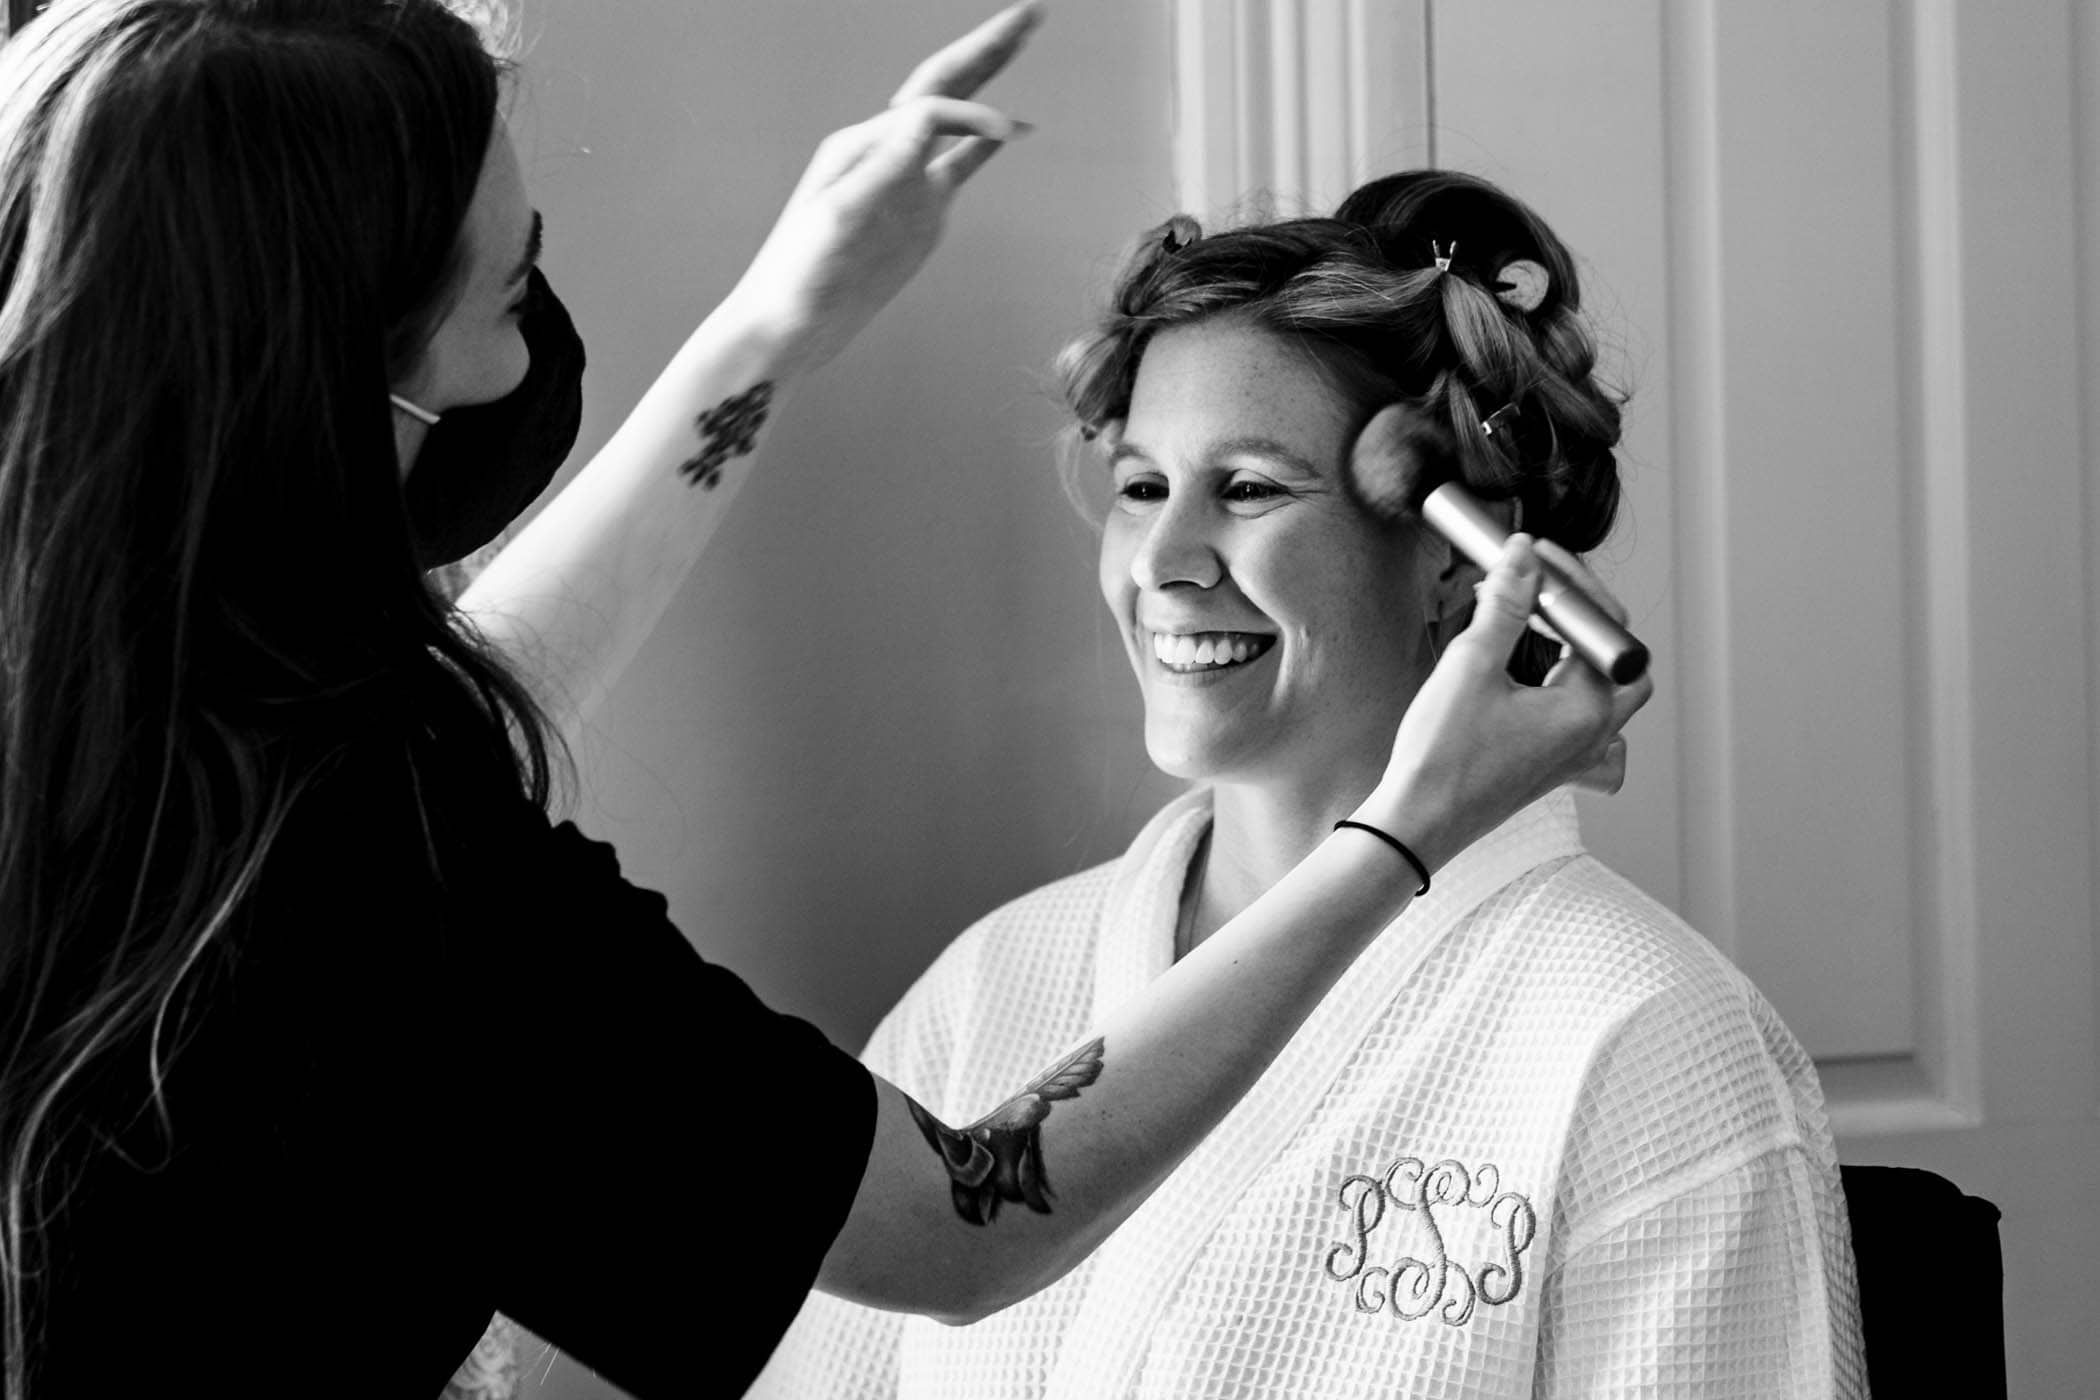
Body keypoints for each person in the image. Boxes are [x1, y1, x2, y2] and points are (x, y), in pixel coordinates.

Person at [0, 4, 1647, 1398]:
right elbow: (964, 1221)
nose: (1173, 561)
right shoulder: (413, 887)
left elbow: (413, 712)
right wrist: (1404, 833)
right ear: (339, 367)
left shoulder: (102, 686)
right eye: (510, 294)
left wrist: (778, 323)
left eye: (1255, 487)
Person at [754, 171, 1864, 1399]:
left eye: (1249, 488)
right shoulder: (995, 984)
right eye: (1140, 486)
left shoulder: (1641, 1036)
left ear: (1457, 560)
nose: (1166, 563)